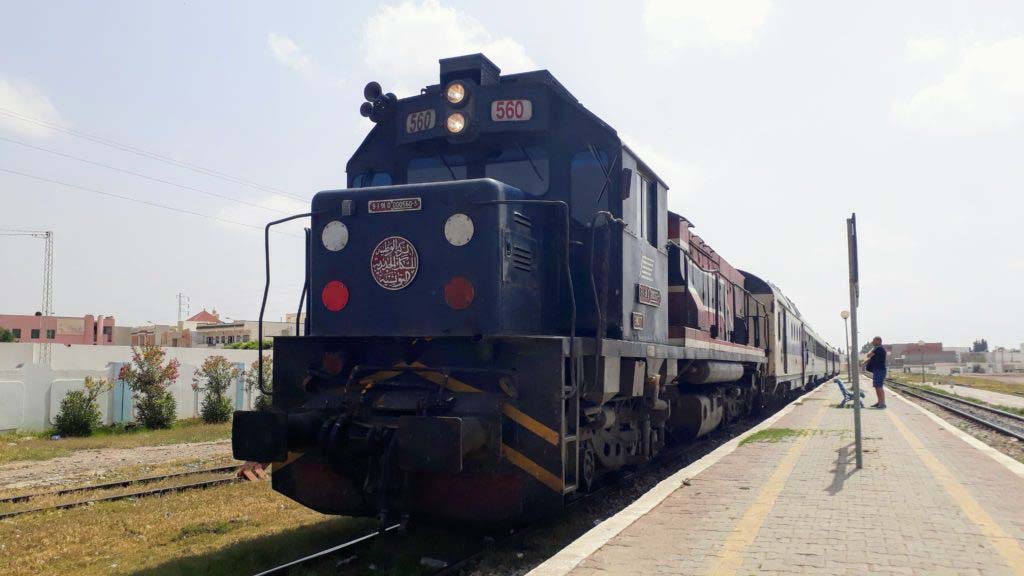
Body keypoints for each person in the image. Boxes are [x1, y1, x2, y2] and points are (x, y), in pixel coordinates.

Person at [864, 336, 887, 408]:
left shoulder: (878, 348)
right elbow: (871, 358)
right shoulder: (878, 349)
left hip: (879, 370)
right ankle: (879, 402)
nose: (872, 342)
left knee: (879, 387)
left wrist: (872, 349)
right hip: (878, 370)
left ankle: (882, 403)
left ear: (878, 341)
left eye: (874, 341)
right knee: (877, 387)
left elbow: (868, 355)